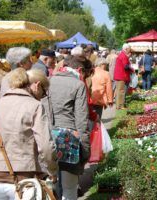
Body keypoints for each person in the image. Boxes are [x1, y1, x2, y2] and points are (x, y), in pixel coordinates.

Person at [0, 68, 57, 199]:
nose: (42, 97)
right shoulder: (35, 106)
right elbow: (46, 147)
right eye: (43, 93)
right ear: (37, 85)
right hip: (23, 181)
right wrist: (52, 171)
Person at [49, 55, 91, 199]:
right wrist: (85, 151)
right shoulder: (78, 85)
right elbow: (82, 121)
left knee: (49, 188)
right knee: (69, 189)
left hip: (46, 139)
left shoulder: (47, 81)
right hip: (69, 140)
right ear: (79, 69)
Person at [113, 43, 132, 110]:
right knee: (121, 91)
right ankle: (120, 105)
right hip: (121, 75)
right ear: (126, 49)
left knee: (119, 91)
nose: (130, 50)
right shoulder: (123, 56)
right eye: (129, 49)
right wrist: (131, 69)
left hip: (119, 75)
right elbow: (126, 66)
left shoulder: (122, 55)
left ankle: (119, 105)